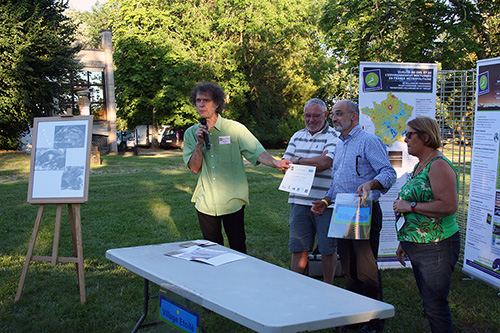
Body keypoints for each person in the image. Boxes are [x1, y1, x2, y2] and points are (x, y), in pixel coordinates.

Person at [311, 100, 396, 333]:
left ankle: (375, 321)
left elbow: (389, 173)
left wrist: (371, 183)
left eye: (339, 114)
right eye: (334, 115)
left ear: (354, 117)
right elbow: (338, 183)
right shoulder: (339, 144)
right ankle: (354, 316)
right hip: (342, 211)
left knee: (366, 269)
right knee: (348, 267)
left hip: (364, 211)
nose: (334, 118)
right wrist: (326, 201)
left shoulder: (368, 141)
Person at [183, 82, 291, 254]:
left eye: (206, 100)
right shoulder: (191, 133)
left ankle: (240, 280)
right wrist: (199, 144)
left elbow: (256, 151)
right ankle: (218, 281)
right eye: (198, 100)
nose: (201, 104)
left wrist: (276, 163)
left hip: (232, 200)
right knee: (211, 252)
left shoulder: (234, 129)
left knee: (238, 248)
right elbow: (194, 168)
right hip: (206, 202)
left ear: (216, 103)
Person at [393, 116, 460, 333]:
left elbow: (449, 206)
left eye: (410, 134)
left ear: (426, 137)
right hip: (420, 244)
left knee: (435, 306)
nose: (405, 139)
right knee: (429, 302)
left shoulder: (438, 165)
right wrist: (405, 239)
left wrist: (410, 206)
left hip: (437, 246)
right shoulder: (421, 165)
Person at [283, 98, 340, 283]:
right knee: (298, 246)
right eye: (308, 115)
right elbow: (285, 165)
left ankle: (327, 286)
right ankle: (297, 285)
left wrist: (298, 160)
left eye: (316, 115)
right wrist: (313, 161)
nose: (311, 120)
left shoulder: (334, 136)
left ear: (325, 115)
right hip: (299, 200)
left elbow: (325, 163)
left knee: (327, 248)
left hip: (325, 201)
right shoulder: (297, 135)